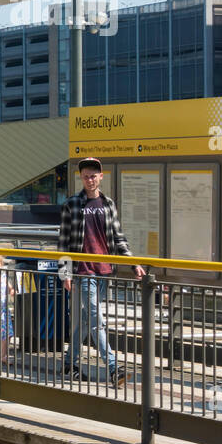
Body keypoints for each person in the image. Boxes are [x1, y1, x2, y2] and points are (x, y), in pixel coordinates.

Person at [58, 158, 144, 386]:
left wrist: (133, 263)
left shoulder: (108, 204)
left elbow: (118, 238)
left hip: (104, 271)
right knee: (97, 321)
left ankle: (69, 365)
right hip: (83, 271)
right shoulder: (72, 204)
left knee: (87, 321)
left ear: (101, 176)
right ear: (81, 178)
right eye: (86, 176)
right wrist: (65, 272)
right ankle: (115, 369)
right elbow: (64, 241)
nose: (90, 179)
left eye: (93, 175)